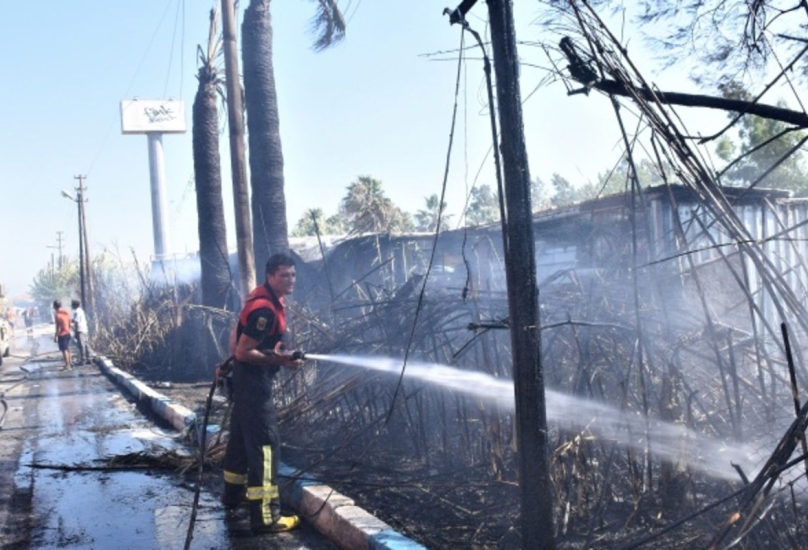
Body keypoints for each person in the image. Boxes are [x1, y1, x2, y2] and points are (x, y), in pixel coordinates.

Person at [220, 253, 305, 535]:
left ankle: (232, 499)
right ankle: (267, 518)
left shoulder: (261, 299)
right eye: (284, 275)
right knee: (267, 448)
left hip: (245, 382)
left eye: (292, 275)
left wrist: (276, 355)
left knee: (241, 444)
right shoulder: (264, 310)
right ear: (270, 277)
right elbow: (245, 351)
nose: (291, 280)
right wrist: (280, 360)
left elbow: (237, 339)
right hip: (254, 385)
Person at [52, 300, 72, 370]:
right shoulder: (66, 312)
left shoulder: (58, 315)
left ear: (55, 306)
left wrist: (56, 336)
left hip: (62, 334)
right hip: (68, 333)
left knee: (64, 350)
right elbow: (69, 322)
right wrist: (69, 329)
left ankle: (67, 366)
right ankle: (70, 363)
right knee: (67, 348)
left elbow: (58, 326)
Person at [71, 299, 91, 364]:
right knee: (86, 344)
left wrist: (76, 332)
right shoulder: (80, 310)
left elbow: (77, 322)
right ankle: (89, 358)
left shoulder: (76, 311)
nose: (71, 306)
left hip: (80, 330)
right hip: (85, 329)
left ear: (74, 305)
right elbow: (75, 320)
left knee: (81, 345)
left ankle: (83, 360)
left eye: (72, 304)